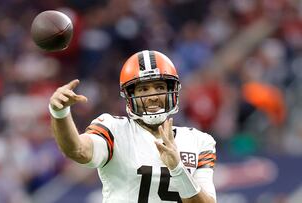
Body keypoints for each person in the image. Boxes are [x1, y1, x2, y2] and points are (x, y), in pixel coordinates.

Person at [49, 50, 217, 203]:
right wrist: (60, 113)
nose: (152, 96)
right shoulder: (114, 129)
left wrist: (177, 168)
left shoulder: (199, 141)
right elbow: (77, 150)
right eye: (143, 89)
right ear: (130, 96)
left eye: (159, 87)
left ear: (172, 91)